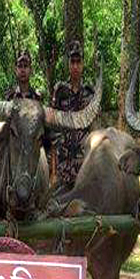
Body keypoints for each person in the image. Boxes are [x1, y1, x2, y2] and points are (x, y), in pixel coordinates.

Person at [48, 41, 95, 189]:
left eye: (78, 62)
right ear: (68, 64)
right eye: (72, 62)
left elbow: (93, 132)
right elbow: (53, 132)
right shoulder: (60, 91)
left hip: (84, 165)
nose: (75, 66)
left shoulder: (90, 93)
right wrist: (53, 172)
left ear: (82, 64)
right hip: (63, 164)